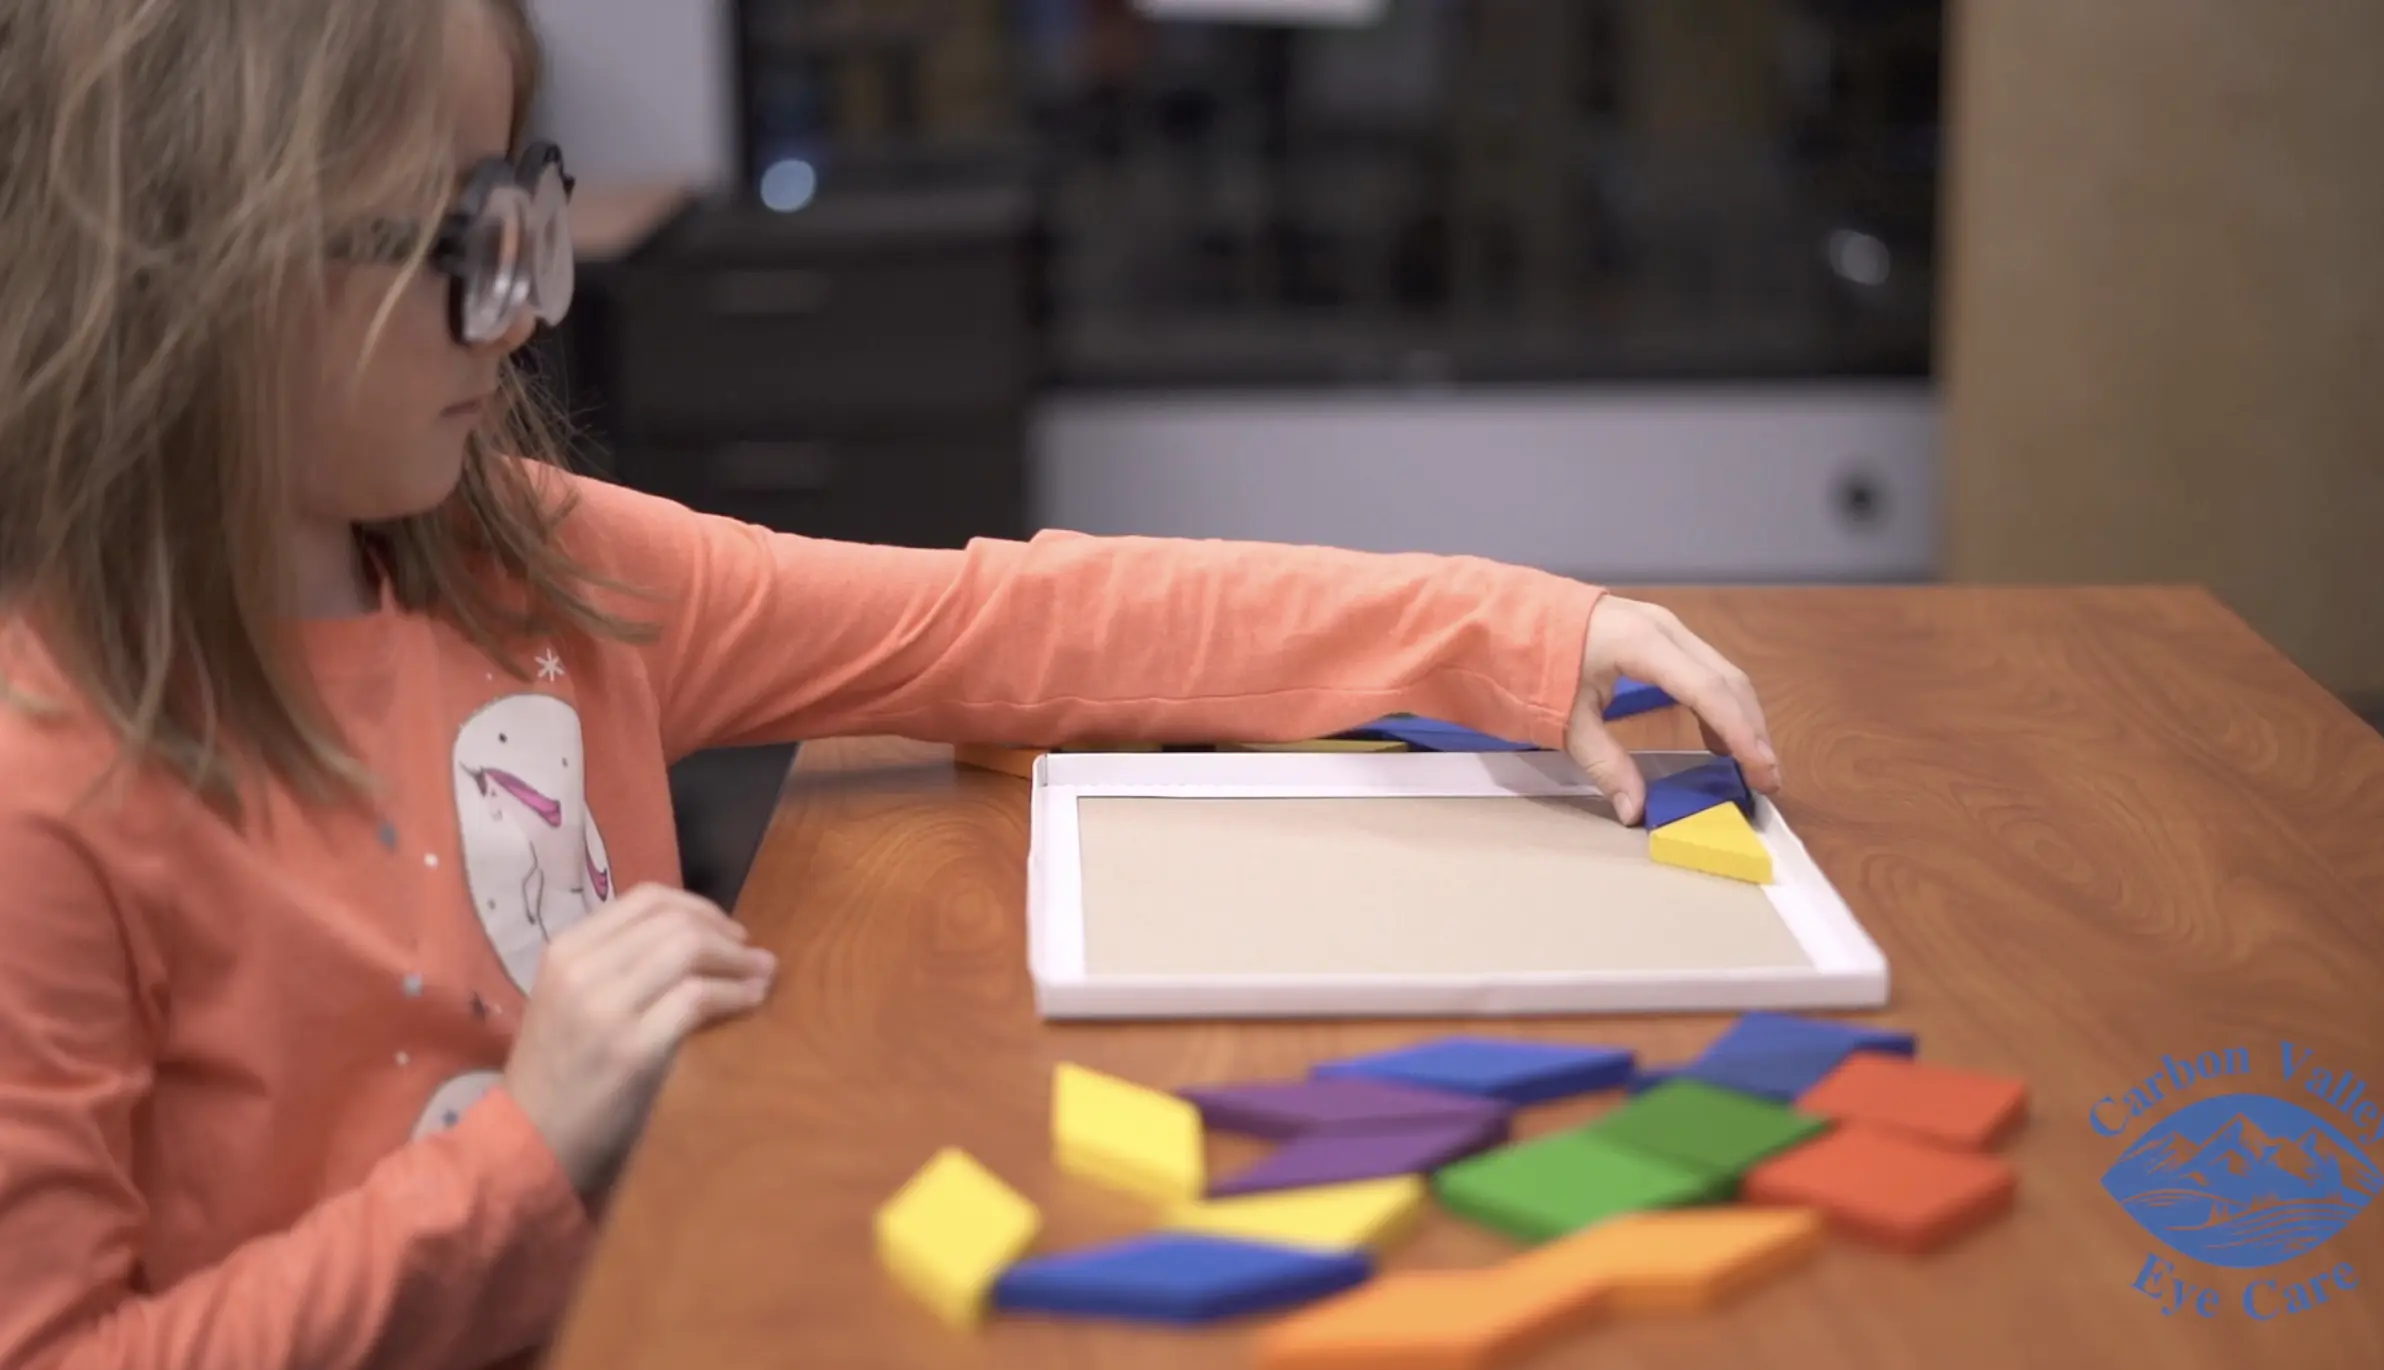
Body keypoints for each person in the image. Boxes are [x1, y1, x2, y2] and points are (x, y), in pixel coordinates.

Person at [0, 1, 1782, 1365]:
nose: (527, 310)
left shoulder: (528, 562)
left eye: (519, 214)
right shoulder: (46, 791)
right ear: (206, 276)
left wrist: (1509, 632)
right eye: (459, 243)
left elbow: (1007, 627)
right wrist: (523, 1150)